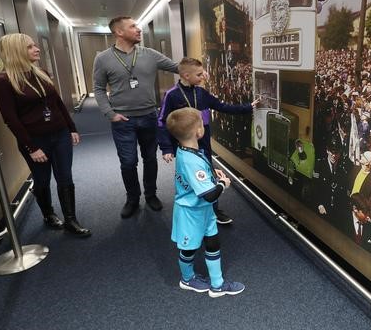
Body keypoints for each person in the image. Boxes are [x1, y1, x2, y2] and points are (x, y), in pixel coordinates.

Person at [0, 33, 90, 237]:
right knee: (42, 180)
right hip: (35, 140)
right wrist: (31, 147)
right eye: (30, 47)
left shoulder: (41, 73)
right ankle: (48, 215)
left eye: (35, 45)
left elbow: (57, 104)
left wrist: (71, 128)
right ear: (16, 51)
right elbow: (11, 119)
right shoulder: (3, 80)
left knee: (65, 177)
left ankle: (71, 220)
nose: (37, 49)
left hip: (60, 134)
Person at [93, 16, 178, 218]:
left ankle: (151, 195)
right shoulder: (103, 58)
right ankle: (132, 198)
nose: (139, 30)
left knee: (150, 158)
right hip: (123, 121)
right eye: (133, 27)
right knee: (128, 162)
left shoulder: (150, 54)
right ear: (119, 32)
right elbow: (97, 88)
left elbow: (177, 67)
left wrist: (198, 70)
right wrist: (109, 113)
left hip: (149, 116)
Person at [157, 57, 258, 224]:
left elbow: (222, 106)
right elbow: (161, 121)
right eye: (199, 74)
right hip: (183, 145)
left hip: (203, 144)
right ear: (186, 75)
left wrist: (247, 107)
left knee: (208, 173)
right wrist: (166, 148)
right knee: (189, 177)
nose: (203, 76)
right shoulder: (172, 95)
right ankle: (192, 210)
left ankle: (213, 210)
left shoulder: (201, 93)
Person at [165, 107, 244, 297]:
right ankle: (187, 278)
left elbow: (199, 174)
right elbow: (209, 195)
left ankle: (217, 284)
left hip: (204, 211)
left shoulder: (188, 149)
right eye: (202, 123)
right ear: (198, 132)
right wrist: (223, 184)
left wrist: (211, 173)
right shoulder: (190, 160)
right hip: (190, 213)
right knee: (189, 249)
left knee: (213, 243)